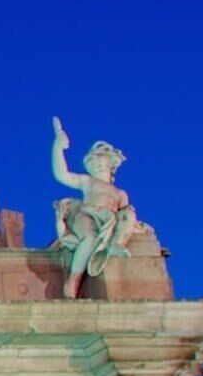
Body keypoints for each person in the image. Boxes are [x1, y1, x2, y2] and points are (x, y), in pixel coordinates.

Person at [47, 118, 142, 298]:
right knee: (89, 238)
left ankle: (116, 244)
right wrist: (57, 148)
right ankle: (74, 278)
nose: (97, 167)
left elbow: (124, 213)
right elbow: (62, 174)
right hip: (87, 216)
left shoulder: (120, 193)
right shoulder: (88, 182)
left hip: (108, 221)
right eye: (93, 164)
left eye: (101, 164)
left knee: (128, 214)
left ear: (111, 167)